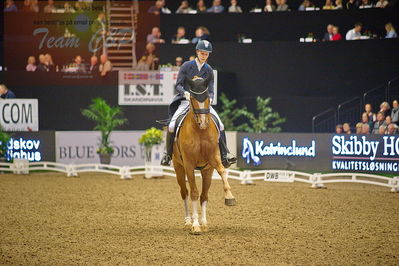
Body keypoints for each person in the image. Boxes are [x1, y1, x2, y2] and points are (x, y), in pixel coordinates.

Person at [161, 40, 237, 168]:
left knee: (221, 125)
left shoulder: (209, 70)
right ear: (197, 52)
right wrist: (185, 93)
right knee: (172, 125)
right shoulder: (186, 66)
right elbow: (178, 84)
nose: (204, 56)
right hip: (186, 102)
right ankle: (167, 155)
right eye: (202, 53)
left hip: (203, 104)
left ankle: (225, 154)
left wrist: (211, 98)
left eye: (206, 54)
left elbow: (211, 89)